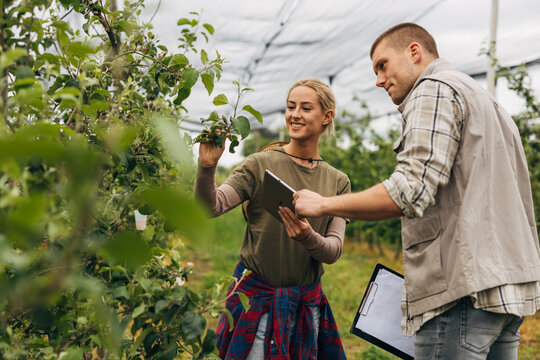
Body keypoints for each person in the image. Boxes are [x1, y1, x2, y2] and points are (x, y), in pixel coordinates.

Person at [293, 23, 540, 359]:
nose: (379, 79)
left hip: (461, 297)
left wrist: (324, 204)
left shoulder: (432, 90)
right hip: (507, 291)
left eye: (383, 65)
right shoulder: (486, 100)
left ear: (414, 52)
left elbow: (410, 189)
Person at [194, 78, 350, 359]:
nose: (295, 114)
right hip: (258, 305)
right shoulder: (259, 164)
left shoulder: (338, 181)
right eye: (291, 107)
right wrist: (207, 167)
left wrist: (307, 238)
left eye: (305, 108)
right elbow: (211, 207)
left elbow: (333, 250)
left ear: (327, 116)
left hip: (305, 309)